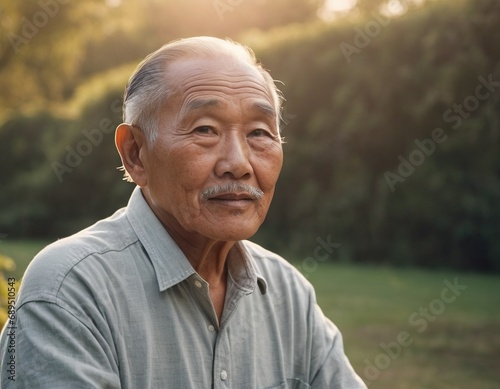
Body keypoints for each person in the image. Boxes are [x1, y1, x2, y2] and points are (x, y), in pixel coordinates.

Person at [0, 36, 367, 388]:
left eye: (259, 132)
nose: (238, 164)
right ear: (136, 154)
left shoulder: (289, 294)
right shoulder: (69, 290)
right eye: (205, 129)